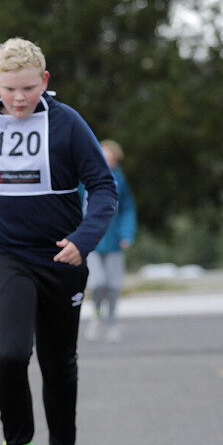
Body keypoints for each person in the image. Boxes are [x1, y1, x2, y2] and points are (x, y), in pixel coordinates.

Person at [0, 37, 118, 445]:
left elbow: (103, 188)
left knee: (58, 365)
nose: (20, 98)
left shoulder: (66, 124)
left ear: (45, 82)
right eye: (10, 89)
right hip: (1, 252)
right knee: (9, 355)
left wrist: (82, 240)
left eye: (28, 88)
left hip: (59, 258)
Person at [84, 139, 137, 342]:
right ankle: (97, 317)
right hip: (91, 241)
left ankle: (112, 322)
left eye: (111, 160)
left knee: (114, 286)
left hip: (114, 241)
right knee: (97, 283)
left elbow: (127, 209)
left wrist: (127, 234)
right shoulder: (85, 178)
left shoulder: (120, 181)